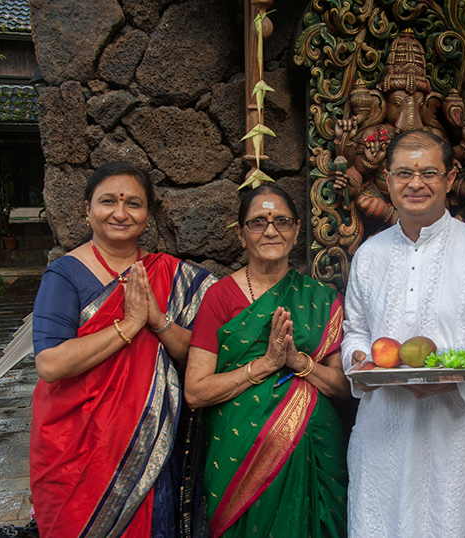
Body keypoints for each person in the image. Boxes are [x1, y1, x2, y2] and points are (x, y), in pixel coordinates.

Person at [341, 130, 465, 537]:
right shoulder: (369, 254)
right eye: (404, 173)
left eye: (428, 172)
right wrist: (357, 359)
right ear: (387, 180)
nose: (416, 183)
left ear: (450, 177)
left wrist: (455, 387)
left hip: (455, 433)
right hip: (383, 431)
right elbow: (354, 330)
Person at [30, 161, 217, 537]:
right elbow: (50, 364)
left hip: (147, 445)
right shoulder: (64, 275)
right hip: (78, 447)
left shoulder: (167, 273)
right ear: (87, 210)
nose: (120, 213)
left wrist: (156, 320)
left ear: (147, 215)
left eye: (133, 203)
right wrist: (128, 326)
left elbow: (195, 353)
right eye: (107, 202)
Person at [184, 185, 350, 538]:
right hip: (238, 457)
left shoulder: (321, 298)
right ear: (242, 235)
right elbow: (196, 392)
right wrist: (266, 364)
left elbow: (343, 387)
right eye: (258, 222)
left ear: (296, 230)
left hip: (313, 455)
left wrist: (297, 361)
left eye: (282, 221)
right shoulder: (219, 297)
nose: (271, 230)